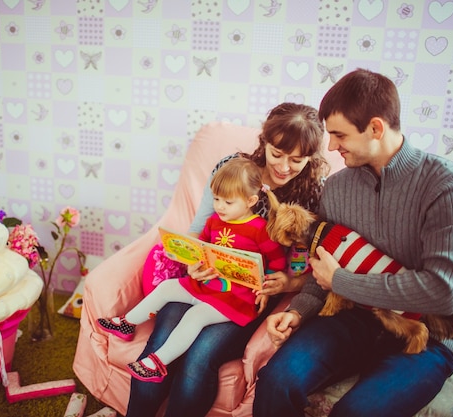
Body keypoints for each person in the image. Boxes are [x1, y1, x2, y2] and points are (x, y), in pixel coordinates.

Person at [253, 68, 453, 417]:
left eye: (339, 135)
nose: (330, 147)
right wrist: (299, 311)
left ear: (375, 128)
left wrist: (342, 281)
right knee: (275, 382)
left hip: (427, 335)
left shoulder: (447, 185)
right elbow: (321, 267)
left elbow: (442, 291)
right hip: (354, 318)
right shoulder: (338, 188)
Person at [125, 103, 331, 416]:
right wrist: (194, 261)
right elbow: (198, 230)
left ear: (311, 158)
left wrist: (290, 282)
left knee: (199, 357)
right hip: (204, 281)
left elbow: (309, 266)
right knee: (159, 346)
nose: (285, 167)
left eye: (297, 160)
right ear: (264, 142)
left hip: (248, 297)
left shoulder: (311, 196)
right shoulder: (233, 170)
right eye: (277, 154)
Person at [97, 158, 289, 382]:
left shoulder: (260, 230)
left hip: (235, 297)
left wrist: (266, 286)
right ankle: (128, 323)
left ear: (251, 201)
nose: (219, 206)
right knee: (168, 287)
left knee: (194, 316)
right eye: (216, 199)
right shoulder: (214, 222)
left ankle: (157, 363)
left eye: (227, 202)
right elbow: (201, 247)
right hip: (206, 284)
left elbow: (277, 263)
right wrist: (188, 256)